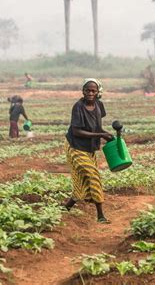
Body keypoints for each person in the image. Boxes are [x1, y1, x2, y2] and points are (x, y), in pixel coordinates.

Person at [63, 78, 113, 224]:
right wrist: (101, 135)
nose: (90, 93)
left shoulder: (99, 105)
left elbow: (96, 126)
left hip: (89, 147)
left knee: (81, 182)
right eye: (87, 90)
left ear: (98, 92)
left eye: (93, 90)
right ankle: (100, 216)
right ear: (83, 91)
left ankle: (65, 208)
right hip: (75, 146)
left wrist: (106, 134)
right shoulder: (78, 107)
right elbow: (77, 131)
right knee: (93, 175)